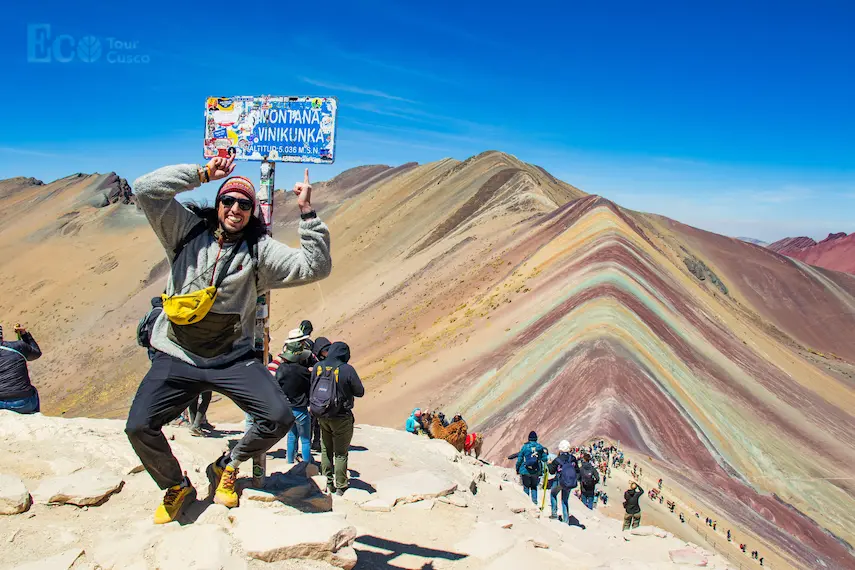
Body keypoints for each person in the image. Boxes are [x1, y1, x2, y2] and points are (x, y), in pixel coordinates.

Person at [124, 157, 332, 524]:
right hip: (177, 354)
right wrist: (202, 173)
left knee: (278, 417)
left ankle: (227, 465)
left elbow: (315, 267)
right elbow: (145, 189)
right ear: (218, 204)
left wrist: (307, 212)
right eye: (228, 201)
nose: (235, 209)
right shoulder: (184, 232)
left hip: (232, 359)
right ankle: (175, 486)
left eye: (244, 204)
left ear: (252, 212)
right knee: (139, 426)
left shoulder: (259, 250)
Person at [310, 341, 364, 495]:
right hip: (341, 416)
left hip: (322, 414)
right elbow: (359, 391)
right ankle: (341, 485)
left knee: (326, 448)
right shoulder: (347, 369)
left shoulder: (318, 367)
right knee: (340, 452)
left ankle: (326, 481)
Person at [275, 328, 315, 464]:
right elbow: (309, 387)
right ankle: (306, 465)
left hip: (287, 408)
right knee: (305, 439)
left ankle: (290, 462)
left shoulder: (281, 369)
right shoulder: (304, 372)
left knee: (291, 436)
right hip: (301, 408)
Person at [0, 324, 42, 414]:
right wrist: (24, 334)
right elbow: (36, 354)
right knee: (33, 390)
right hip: (23, 403)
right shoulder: (18, 346)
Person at [548, 440, 578, 525]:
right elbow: (577, 470)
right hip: (569, 482)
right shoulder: (573, 458)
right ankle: (566, 520)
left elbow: (551, 471)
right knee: (565, 500)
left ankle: (554, 514)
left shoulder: (558, 459)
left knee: (553, 494)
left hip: (559, 481)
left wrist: (550, 464)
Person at [309, 337, 331, 451]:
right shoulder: (313, 361)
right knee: (312, 422)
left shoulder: (327, 363)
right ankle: (309, 442)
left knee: (318, 423)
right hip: (314, 396)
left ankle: (316, 442)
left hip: (322, 396)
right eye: (324, 350)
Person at [515, 431, 547, 505]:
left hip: (525, 470)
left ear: (529, 438)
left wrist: (517, 469)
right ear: (536, 438)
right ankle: (535, 503)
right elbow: (544, 459)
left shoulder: (525, 447)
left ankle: (527, 504)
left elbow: (520, 459)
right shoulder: (540, 447)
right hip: (536, 471)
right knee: (534, 487)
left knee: (526, 487)